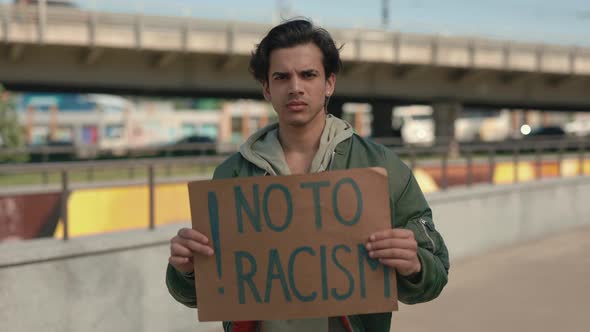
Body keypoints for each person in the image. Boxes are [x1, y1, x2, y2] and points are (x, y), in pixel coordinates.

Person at [166, 19, 450, 332]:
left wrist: (414, 265)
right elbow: (199, 292)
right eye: (282, 77)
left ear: (329, 83)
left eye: (308, 74)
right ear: (267, 88)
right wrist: (186, 269)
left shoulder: (380, 167)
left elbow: (435, 271)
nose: (295, 87)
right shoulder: (232, 175)